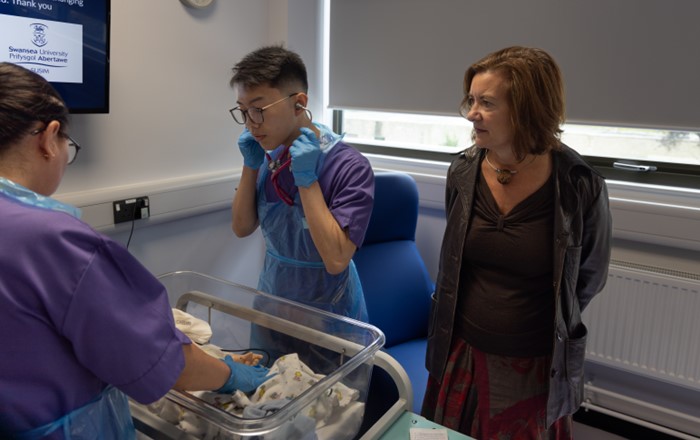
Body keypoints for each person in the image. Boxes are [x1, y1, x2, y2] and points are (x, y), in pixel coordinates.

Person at [0, 62, 271, 439]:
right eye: (68, 147)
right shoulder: (53, 239)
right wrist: (230, 373)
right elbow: (165, 361)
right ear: (49, 138)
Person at [421, 46, 612, 439]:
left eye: (487, 103)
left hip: (534, 366)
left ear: (528, 109)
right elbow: (455, 265)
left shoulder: (579, 185)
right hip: (462, 355)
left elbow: (587, 278)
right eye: (471, 100)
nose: (472, 113)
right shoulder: (462, 172)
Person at [229, 46, 374, 327]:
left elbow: (335, 260)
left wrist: (306, 180)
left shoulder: (349, 167)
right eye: (243, 111)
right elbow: (241, 227)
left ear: (299, 103)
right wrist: (250, 165)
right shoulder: (267, 157)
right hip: (274, 303)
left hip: (331, 315)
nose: (250, 124)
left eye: (259, 110)